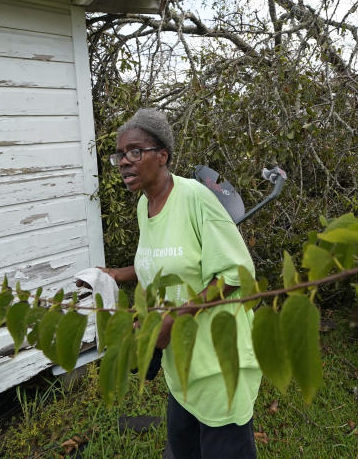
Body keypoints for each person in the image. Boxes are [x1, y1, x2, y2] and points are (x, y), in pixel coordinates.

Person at [100, 108, 260, 459]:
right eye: (120, 155)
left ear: (162, 156)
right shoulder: (146, 205)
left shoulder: (196, 199)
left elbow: (236, 273)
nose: (125, 162)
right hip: (181, 367)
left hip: (219, 365)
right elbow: (160, 262)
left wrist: (177, 317)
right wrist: (115, 274)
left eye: (135, 151)